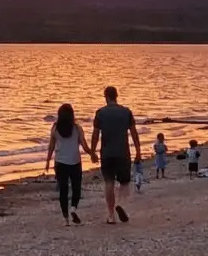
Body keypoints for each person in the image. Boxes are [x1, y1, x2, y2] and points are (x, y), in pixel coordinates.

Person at [91, 86, 142, 224]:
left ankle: (111, 215)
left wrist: (92, 151)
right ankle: (120, 204)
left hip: (107, 153)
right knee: (124, 182)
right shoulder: (126, 112)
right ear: (116, 96)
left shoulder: (100, 113)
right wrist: (138, 151)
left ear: (106, 97)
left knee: (109, 182)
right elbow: (134, 133)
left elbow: (95, 135)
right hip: (123, 152)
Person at [44, 103, 96, 226]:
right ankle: (73, 208)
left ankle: (66, 219)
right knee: (76, 187)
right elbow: (84, 145)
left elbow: (51, 146)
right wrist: (92, 154)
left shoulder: (55, 128)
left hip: (60, 163)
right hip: (75, 162)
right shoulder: (77, 128)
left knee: (63, 190)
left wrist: (48, 161)